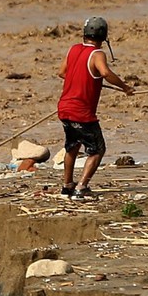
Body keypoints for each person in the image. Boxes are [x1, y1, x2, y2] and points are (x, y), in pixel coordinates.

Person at [57, 17, 134, 200]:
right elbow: (105, 72)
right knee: (98, 149)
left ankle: (67, 185)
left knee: (72, 147)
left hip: (64, 108)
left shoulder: (73, 49)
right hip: (81, 113)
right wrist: (125, 87)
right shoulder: (97, 54)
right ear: (104, 37)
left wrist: (84, 80)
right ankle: (81, 187)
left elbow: (62, 73)